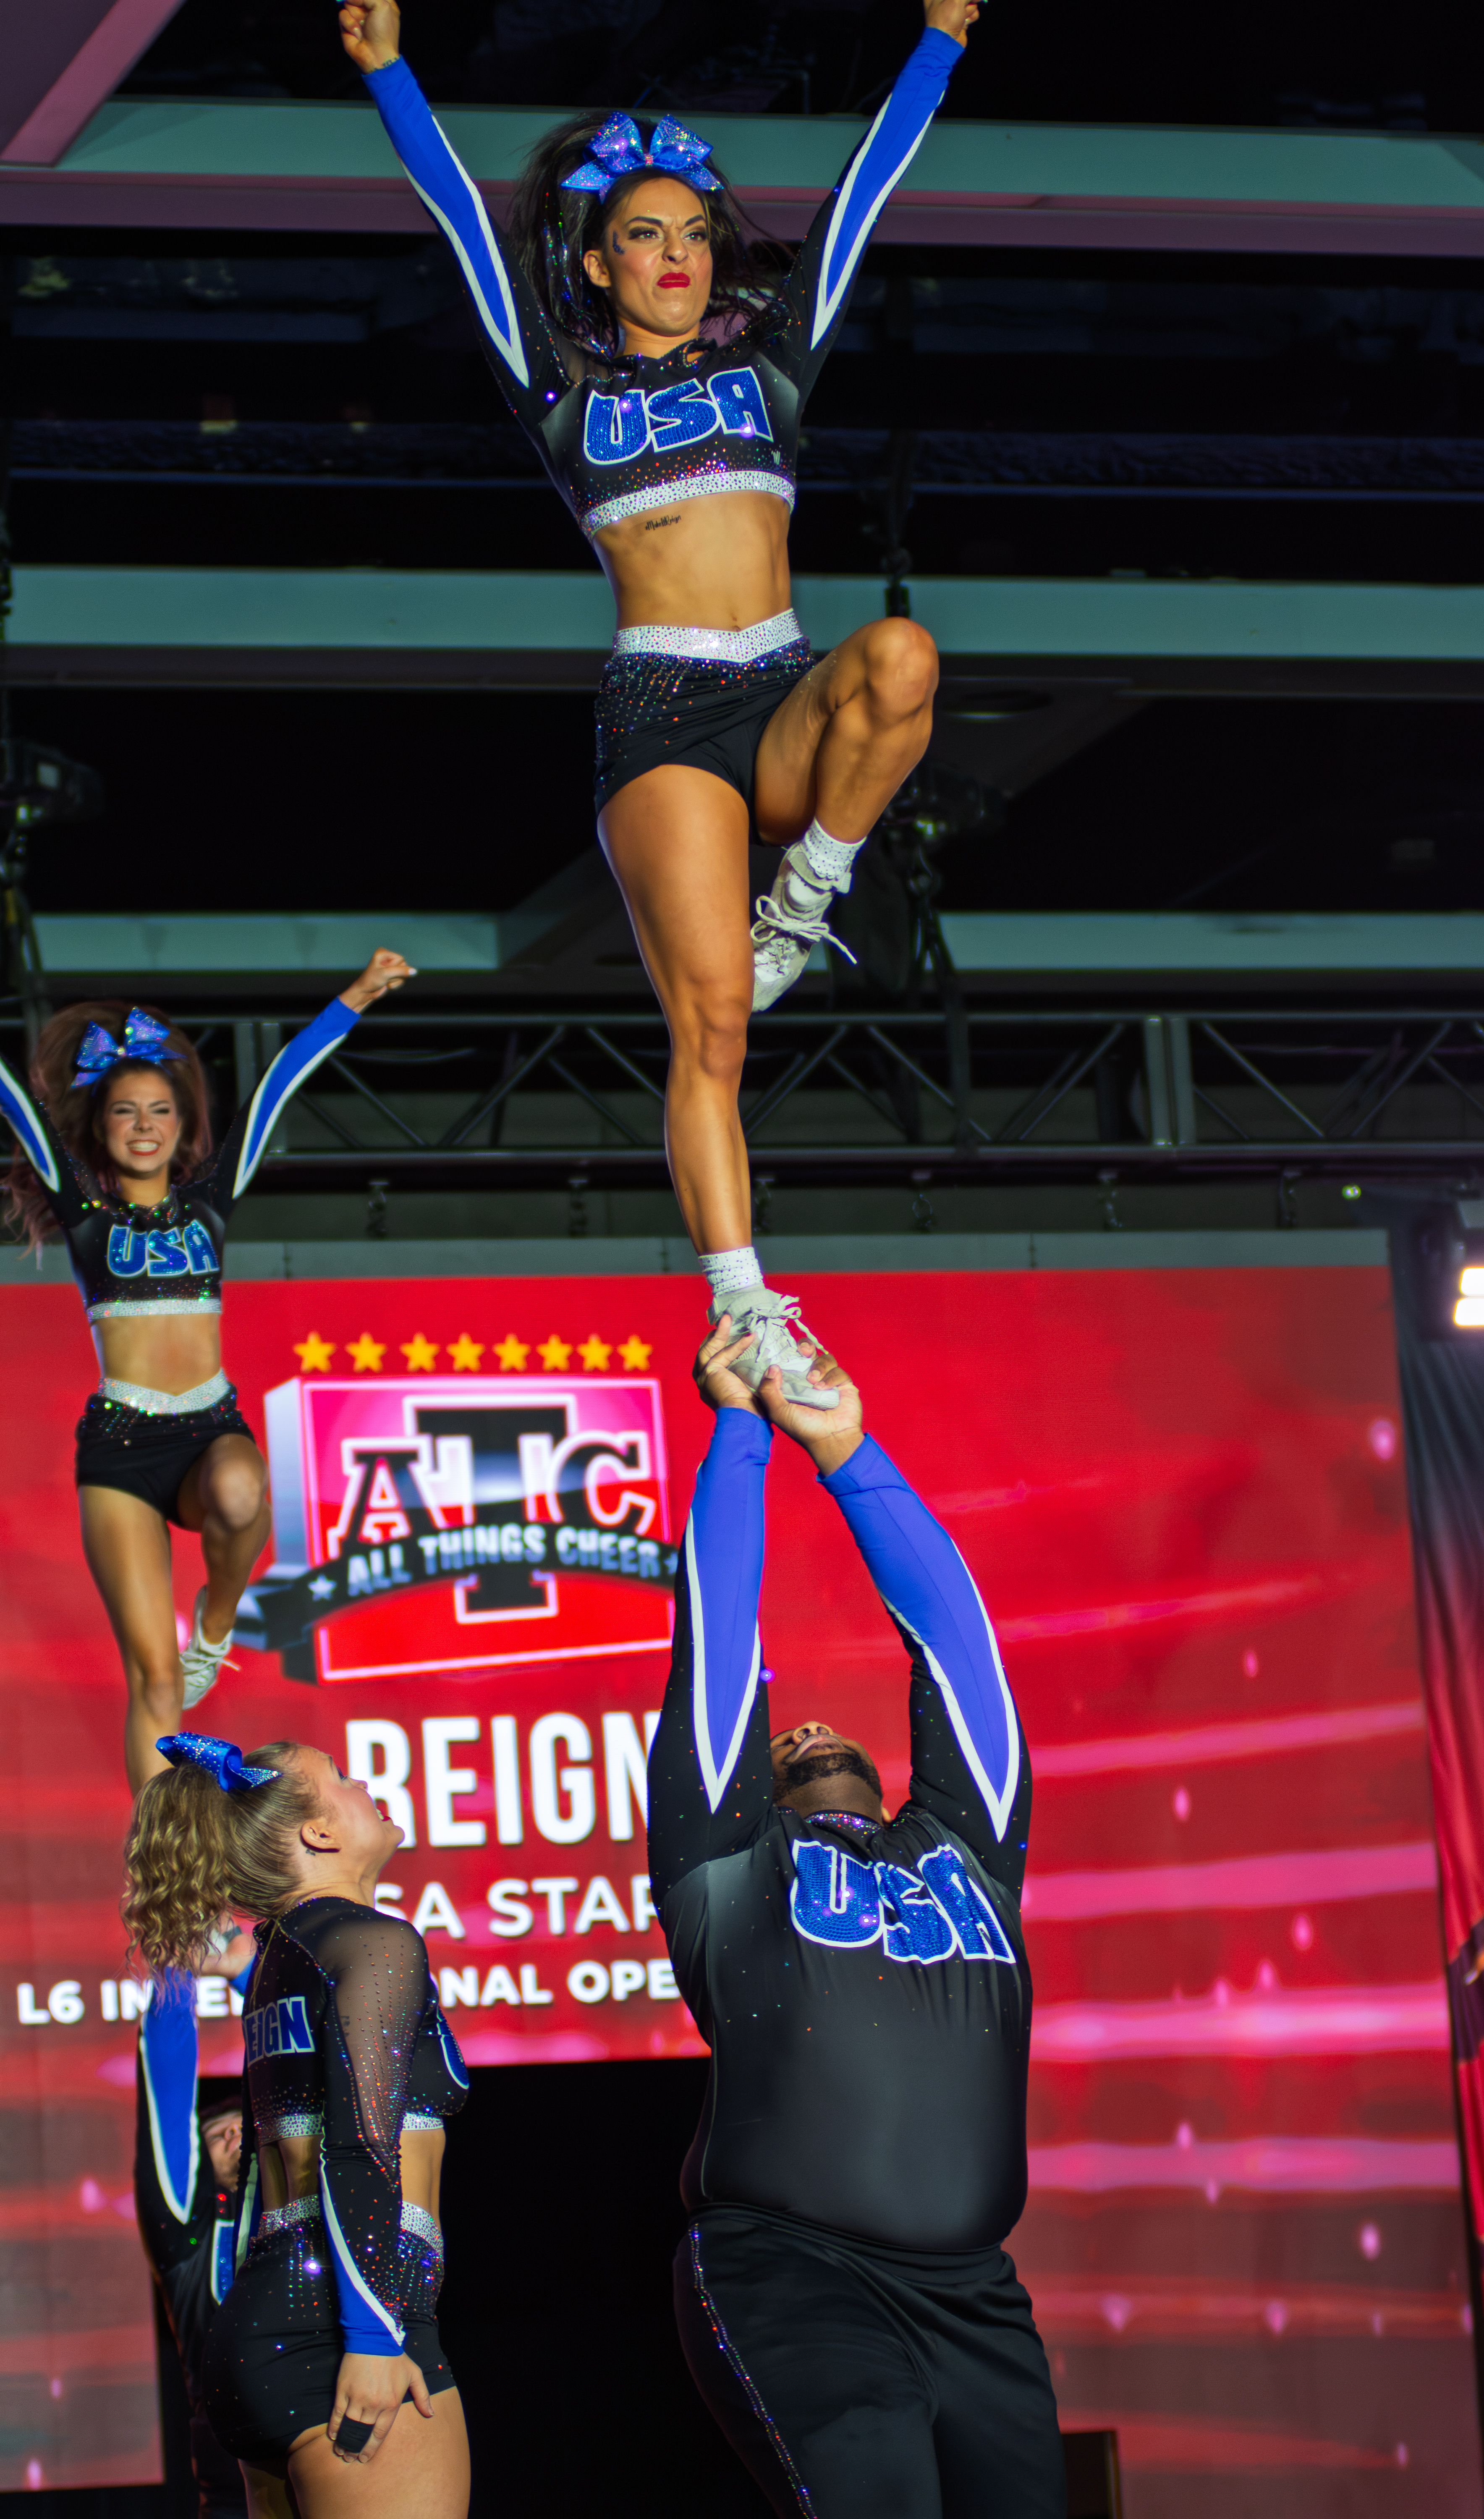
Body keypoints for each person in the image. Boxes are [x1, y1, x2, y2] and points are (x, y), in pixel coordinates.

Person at [337, 0, 977, 1402]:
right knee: (712, 1030)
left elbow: (867, 191)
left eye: (695, 234)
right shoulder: (559, 391)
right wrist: (391, 75)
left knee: (907, 659)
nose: (679, 258)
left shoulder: (774, 366)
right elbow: (457, 221)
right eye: (646, 235)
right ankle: (746, 1305)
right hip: (663, 716)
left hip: (789, 691)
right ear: (595, 258)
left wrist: (935, 42)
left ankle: (805, 901)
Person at [647, 1321, 1065, 2519]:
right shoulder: (728, 1865)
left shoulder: (968, 1853)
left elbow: (962, 1656)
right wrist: (739, 1436)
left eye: (823, 1734)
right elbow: (720, 1657)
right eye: (780, 1745)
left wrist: (849, 1452)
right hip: (795, 2275)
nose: (802, 1730)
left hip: (978, 2296)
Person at [0, 951, 414, 1793]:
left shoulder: (212, 1200)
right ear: (101, 1126)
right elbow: (11, 1097)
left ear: (181, 1121)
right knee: (153, 1682)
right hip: (120, 1444)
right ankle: (162, 1876)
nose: (145, 1125)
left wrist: (356, 997)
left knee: (239, 1491)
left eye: (161, 1109)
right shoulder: (85, 1211)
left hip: (205, 1427)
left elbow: (276, 1088)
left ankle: (216, 1625)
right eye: (126, 1111)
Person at [123, 1731, 470, 2519]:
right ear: (317, 1833)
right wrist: (378, 2341)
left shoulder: (281, 1959)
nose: (365, 1783)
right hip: (351, 2332)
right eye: (343, 1777)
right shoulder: (374, 1942)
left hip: (258, 2336)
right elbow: (360, 2150)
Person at [135, 1934, 256, 2519]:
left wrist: (249, 1977)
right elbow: (167, 2089)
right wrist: (174, 1978)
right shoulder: (187, 2241)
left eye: (244, 2126)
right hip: (237, 2480)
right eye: (217, 2134)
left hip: (347, 2457)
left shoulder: (310, 2209)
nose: (235, 2135)